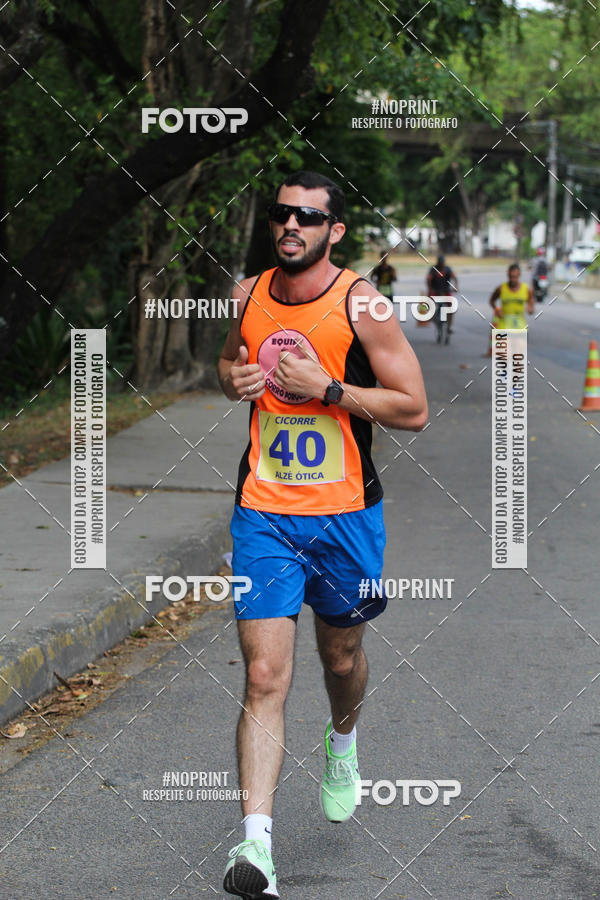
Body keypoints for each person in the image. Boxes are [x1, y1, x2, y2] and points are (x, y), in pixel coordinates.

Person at [217, 170, 428, 899]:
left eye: (308, 216)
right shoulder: (247, 294)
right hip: (264, 511)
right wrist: (234, 381)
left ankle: (343, 742)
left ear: (335, 229)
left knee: (341, 662)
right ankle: (256, 852)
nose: (291, 225)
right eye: (282, 213)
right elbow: (231, 357)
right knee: (265, 676)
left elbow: (413, 408)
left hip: (345, 515)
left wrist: (330, 391)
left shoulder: (361, 304)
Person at [483, 262, 534, 356]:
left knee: (518, 357)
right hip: (504, 324)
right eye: (511, 276)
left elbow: (531, 302)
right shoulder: (501, 288)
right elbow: (492, 301)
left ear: (519, 275)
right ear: (508, 275)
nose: (513, 279)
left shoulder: (526, 289)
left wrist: (530, 308)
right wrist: (496, 309)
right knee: (504, 357)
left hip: (519, 325)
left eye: (515, 277)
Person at [426, 255, 457, 333]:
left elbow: (455, 278)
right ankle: (432, 317)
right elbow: (428, 279)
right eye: (440, 263)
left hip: (446, 291)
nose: (441, 265)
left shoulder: (448, 269)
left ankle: (449, 327)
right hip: (435, 291)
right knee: (430, 303)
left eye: (442, 263)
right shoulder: (433, 269)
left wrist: (455, 287)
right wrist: (429, 289)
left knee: (451, 307)